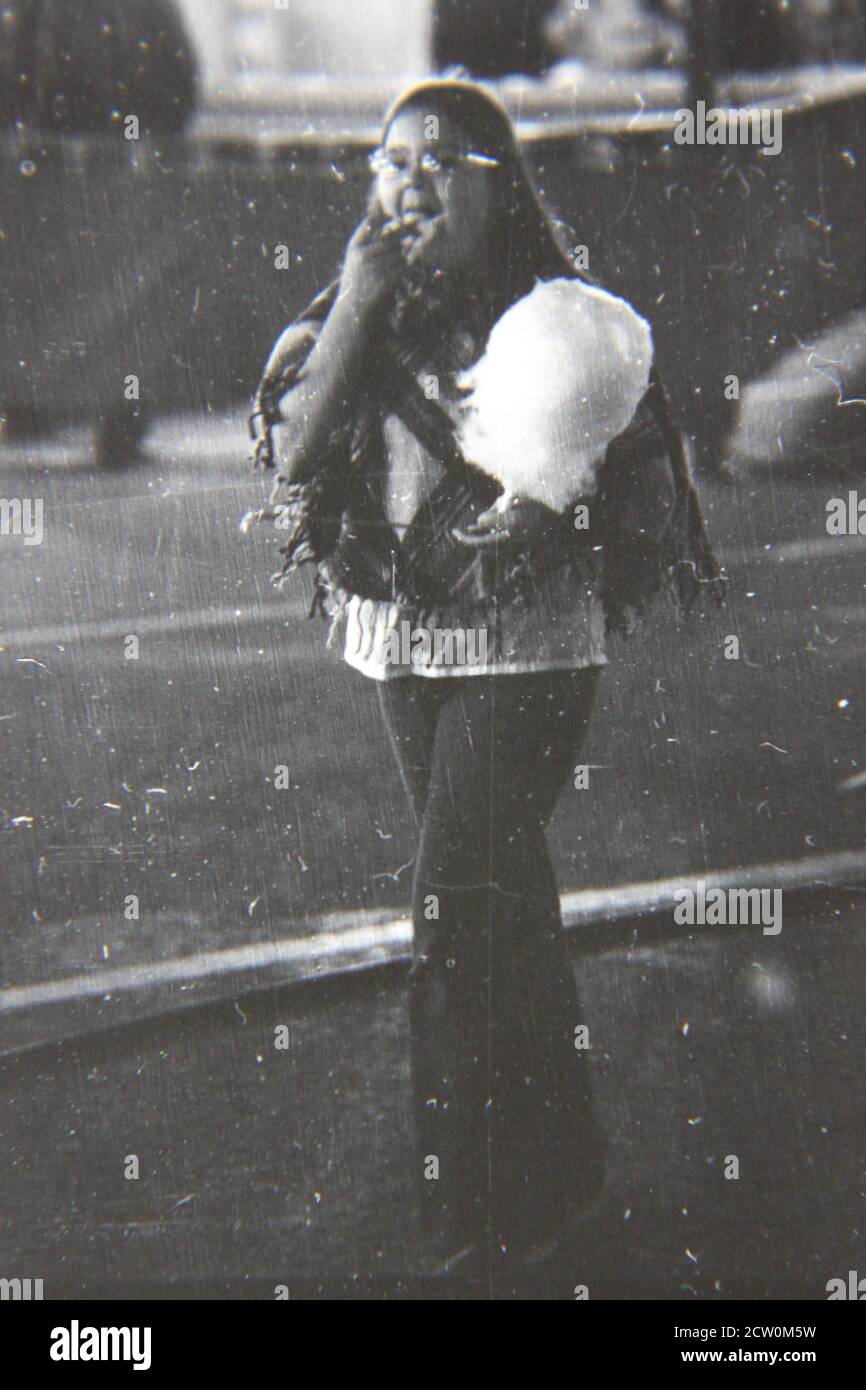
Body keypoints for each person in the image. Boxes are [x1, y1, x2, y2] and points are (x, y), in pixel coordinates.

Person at [244, 78, 723, 1276]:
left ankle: (471, 1208)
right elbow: (297, 450)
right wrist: (359, 293)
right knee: (500, 904)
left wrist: (559, 518)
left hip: (532, 649)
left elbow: (648, 497)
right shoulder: (352, 305)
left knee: (452, 907)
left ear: (497, 184)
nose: (407, 177)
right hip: (408, 641)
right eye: (389, 158)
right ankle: (560, 1174)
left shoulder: (564, 316)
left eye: (439, 158)